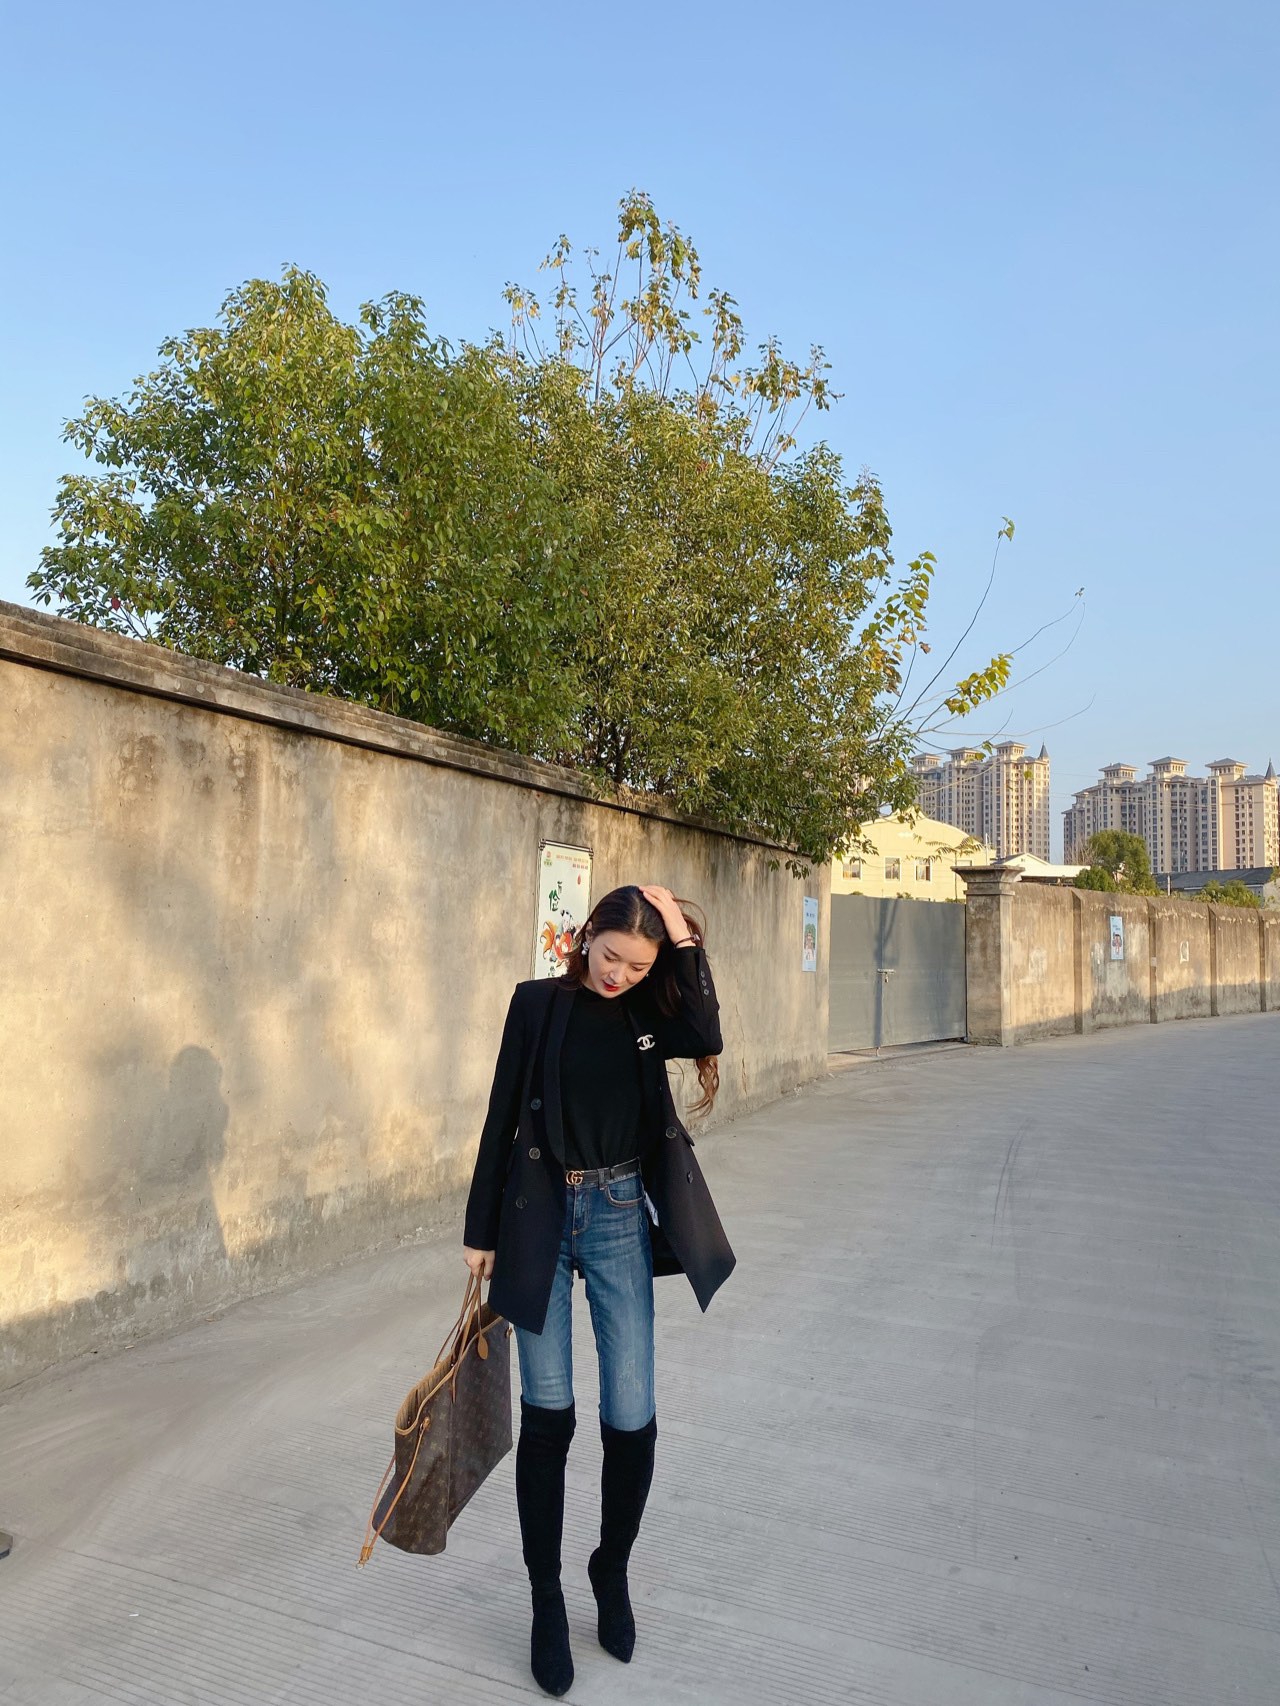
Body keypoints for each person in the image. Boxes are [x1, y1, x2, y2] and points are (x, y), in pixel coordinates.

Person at [463, 882, 735, 1697]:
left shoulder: (650, 1011)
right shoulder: (536, 1004)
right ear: (587, 937)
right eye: (612, 956)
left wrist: (679, 932)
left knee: (632, 1415)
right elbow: (500, 1115)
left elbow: (706, 1029)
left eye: (638, 965)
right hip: (538, 1217)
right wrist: (480, 1230)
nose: (619, 974)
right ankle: (546, 1599)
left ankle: (609, 1567)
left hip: (619, 1213)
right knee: (548, 1416)